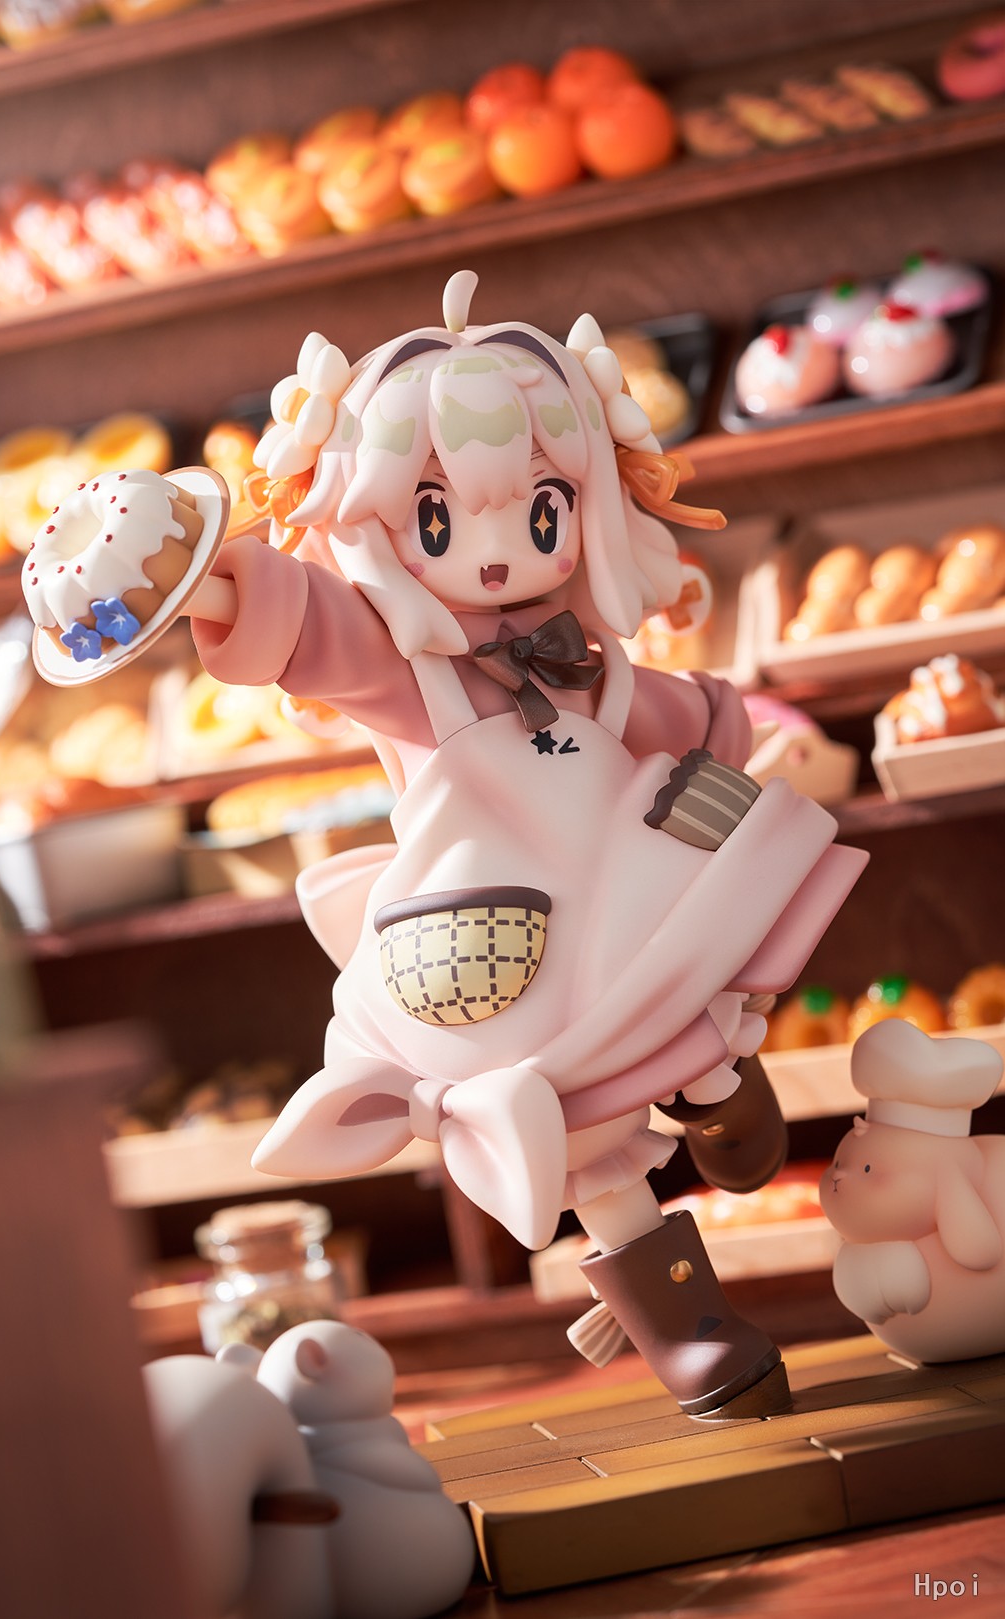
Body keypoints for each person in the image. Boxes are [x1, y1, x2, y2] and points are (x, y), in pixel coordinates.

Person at [185, 272, 867, 1418]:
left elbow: (659, 721)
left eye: (540, 514)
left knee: (712, 923)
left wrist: (717, 732)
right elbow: (305, 624)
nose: (498, 557)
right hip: (507, 931)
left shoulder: (585, 649)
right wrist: (203, 583)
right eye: (441, 521)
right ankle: (688, 1325)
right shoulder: (404, 667)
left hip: (627, 882)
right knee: (583, 1128)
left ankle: (717, 1083)